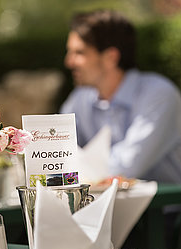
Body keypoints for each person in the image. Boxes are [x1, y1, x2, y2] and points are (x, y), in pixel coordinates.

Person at [61, 10, 181, 184]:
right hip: (107, 207)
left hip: (163, 209)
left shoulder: (160, 95)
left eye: (79, 53)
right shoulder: (79, 99)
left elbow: (126, 167)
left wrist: (69, 174)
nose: (68, 62)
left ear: (111, 57)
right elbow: (57, 154)